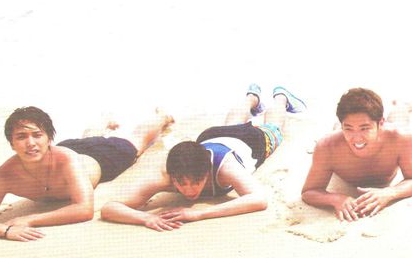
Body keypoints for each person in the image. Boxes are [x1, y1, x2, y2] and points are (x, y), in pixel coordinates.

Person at [100, 85, 304, 231]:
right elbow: (110, 207)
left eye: (196, 182)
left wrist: (198, 214)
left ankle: (280, 97)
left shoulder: (225, 167)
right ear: (172, 176)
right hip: (211, 137)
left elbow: (258, 199)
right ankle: (252, 97)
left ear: (207, 172)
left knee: (273, 128)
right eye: (181, 183)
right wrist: (145, 218)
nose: (189, 190)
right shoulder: (167, 174)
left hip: (248, 140)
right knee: (231, 124)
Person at [0, 106, 171, 240]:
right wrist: (6, 230)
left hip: (102, 157)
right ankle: (102, 123)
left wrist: (30, 219)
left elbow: (84, 209)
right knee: (86, 141)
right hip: (72, 148)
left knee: (135, 144)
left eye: (37, 135)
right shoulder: (4, 175)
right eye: (21, 137)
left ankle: (162, 117)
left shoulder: (66, 160)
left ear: (48, 139)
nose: (30, 143)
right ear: (11, 144)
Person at [301, 87, 412, 221]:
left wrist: (390, 193)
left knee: (399, 121)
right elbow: (309, 192)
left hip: (390, 132)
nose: (357, 138)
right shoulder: (327, 147)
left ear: (380, 123)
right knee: (337, 132)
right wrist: (335, 199)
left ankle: (400, 105)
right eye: (348, 128)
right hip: (338, 137)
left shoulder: (401, 139)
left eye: (364, 128)